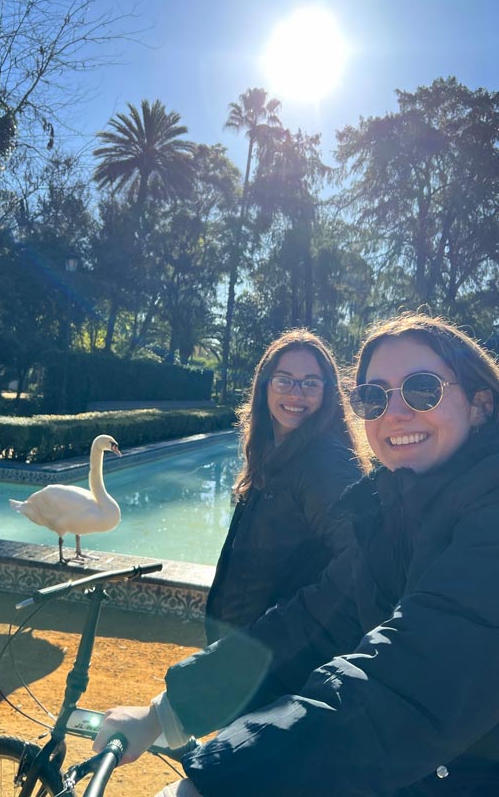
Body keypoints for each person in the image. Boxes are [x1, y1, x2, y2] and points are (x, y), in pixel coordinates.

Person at [93, 313, 499, 796]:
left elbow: (408, 676)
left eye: (422, 389)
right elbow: (311, 621)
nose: (394, 413)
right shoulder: (395, 512)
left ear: (479, 405)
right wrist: (167, 711)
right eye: (373, 396)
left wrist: (221, 781)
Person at [204, 328, 367, 644]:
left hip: (271, 657)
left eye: (310, 383)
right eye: (284, 380)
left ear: (327, 392)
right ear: (265, 386)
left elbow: (359, 562)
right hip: (242, 648)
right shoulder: (273, 452)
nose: (296, 394)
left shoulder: (324, 462)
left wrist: (278, 627)